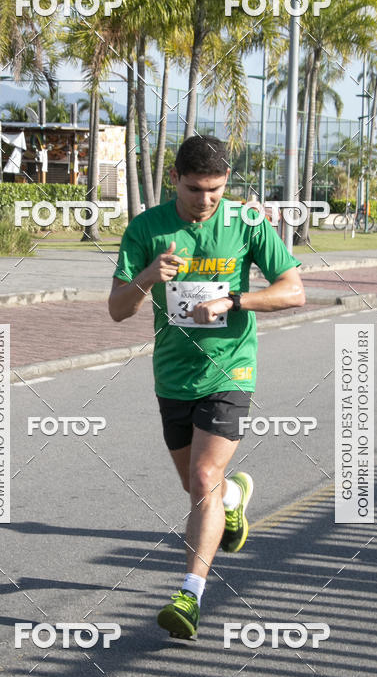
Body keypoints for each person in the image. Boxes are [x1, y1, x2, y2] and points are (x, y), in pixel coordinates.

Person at [109, 136, 305, 640]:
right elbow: (116, 309)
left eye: (216, 190)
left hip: (231, 370)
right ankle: (234, 501)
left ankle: (190, 595)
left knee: (201, 478)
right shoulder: (147, 228)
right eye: (196, 189)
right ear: (174, 178)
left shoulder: (248, 223)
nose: (206, 200)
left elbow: (294, 291)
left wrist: (234, 300)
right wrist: (148, 277)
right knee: (200, 491)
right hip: (173, 376)